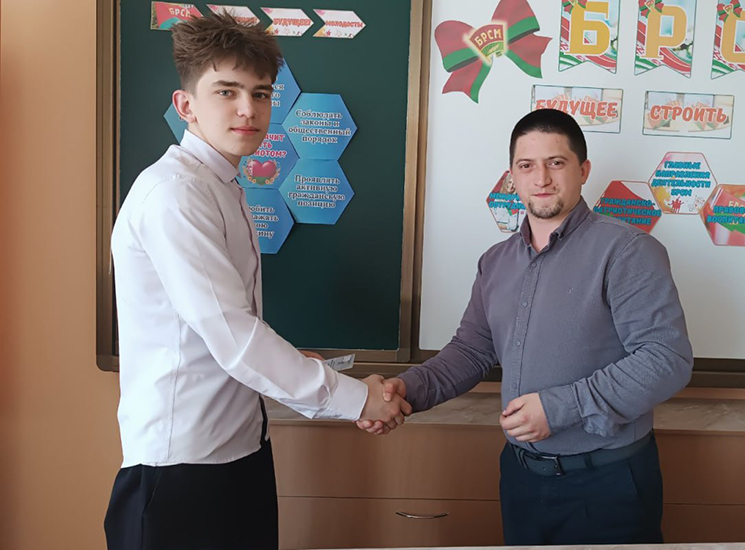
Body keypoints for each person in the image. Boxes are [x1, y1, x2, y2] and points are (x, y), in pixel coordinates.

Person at [105, 13, 409, 550]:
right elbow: (234, 338)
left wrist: (301, 364)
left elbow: (226, 327)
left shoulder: (223, 184)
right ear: (186, 105)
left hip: (238, 448)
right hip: (182, 468)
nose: (248, 109)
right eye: (227, 91)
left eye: (261, 93)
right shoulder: (175, 194)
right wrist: (357, 399)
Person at [360, 109, 693, 545]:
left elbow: (666, 359)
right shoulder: (496, 261)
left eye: (556, 163)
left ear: (583, 170)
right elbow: (472, 350)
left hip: (608, 483)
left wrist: (558, 409)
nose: (541, 179)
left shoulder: (627, 251)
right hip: (521, 479)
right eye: (526, 165)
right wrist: (407, 390)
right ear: (512, 177)